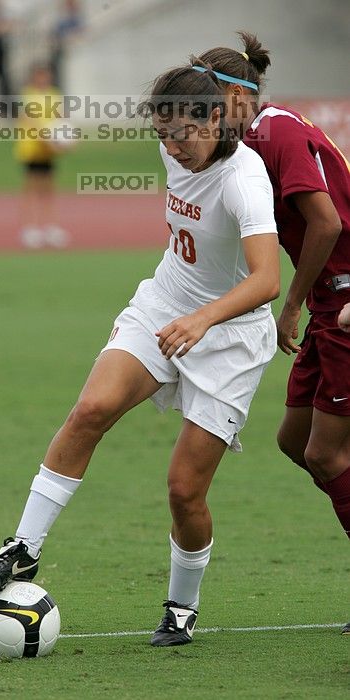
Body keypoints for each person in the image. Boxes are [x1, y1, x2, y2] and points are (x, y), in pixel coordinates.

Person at [0, 58, 279, 647]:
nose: (172, 148)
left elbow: (267, 280)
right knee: (91, 409)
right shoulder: (175, 143)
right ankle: (24, 548)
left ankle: (181, 608)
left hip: (231, 336)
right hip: (164, 304)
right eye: (161, 136)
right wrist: (184, 312)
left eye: (182, 134)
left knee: (184, 489)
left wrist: (204, 318)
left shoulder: (245, 179)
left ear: (216, 118)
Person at [198, 31, 350, 633]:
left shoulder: (277, 130)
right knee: (296, 442)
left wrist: (290, 304)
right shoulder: (247, 141)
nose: (202, 114)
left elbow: (327, 222)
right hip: (328, 305)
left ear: (238, 95)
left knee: (326, 452)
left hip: (342, 304)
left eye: (208, 100)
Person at [14, 63, 70, 249]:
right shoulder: (28, 95)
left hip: (48, 150)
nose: (44, 79)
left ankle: (50, 227)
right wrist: (49, 139)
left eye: (46, 76)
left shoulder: (54, 95)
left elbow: (60, 119)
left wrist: (66, 139)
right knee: (32, 188)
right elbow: (32, 121)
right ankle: (30, 228)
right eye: (40, 76)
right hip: (32, 148)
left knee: (48, 189)